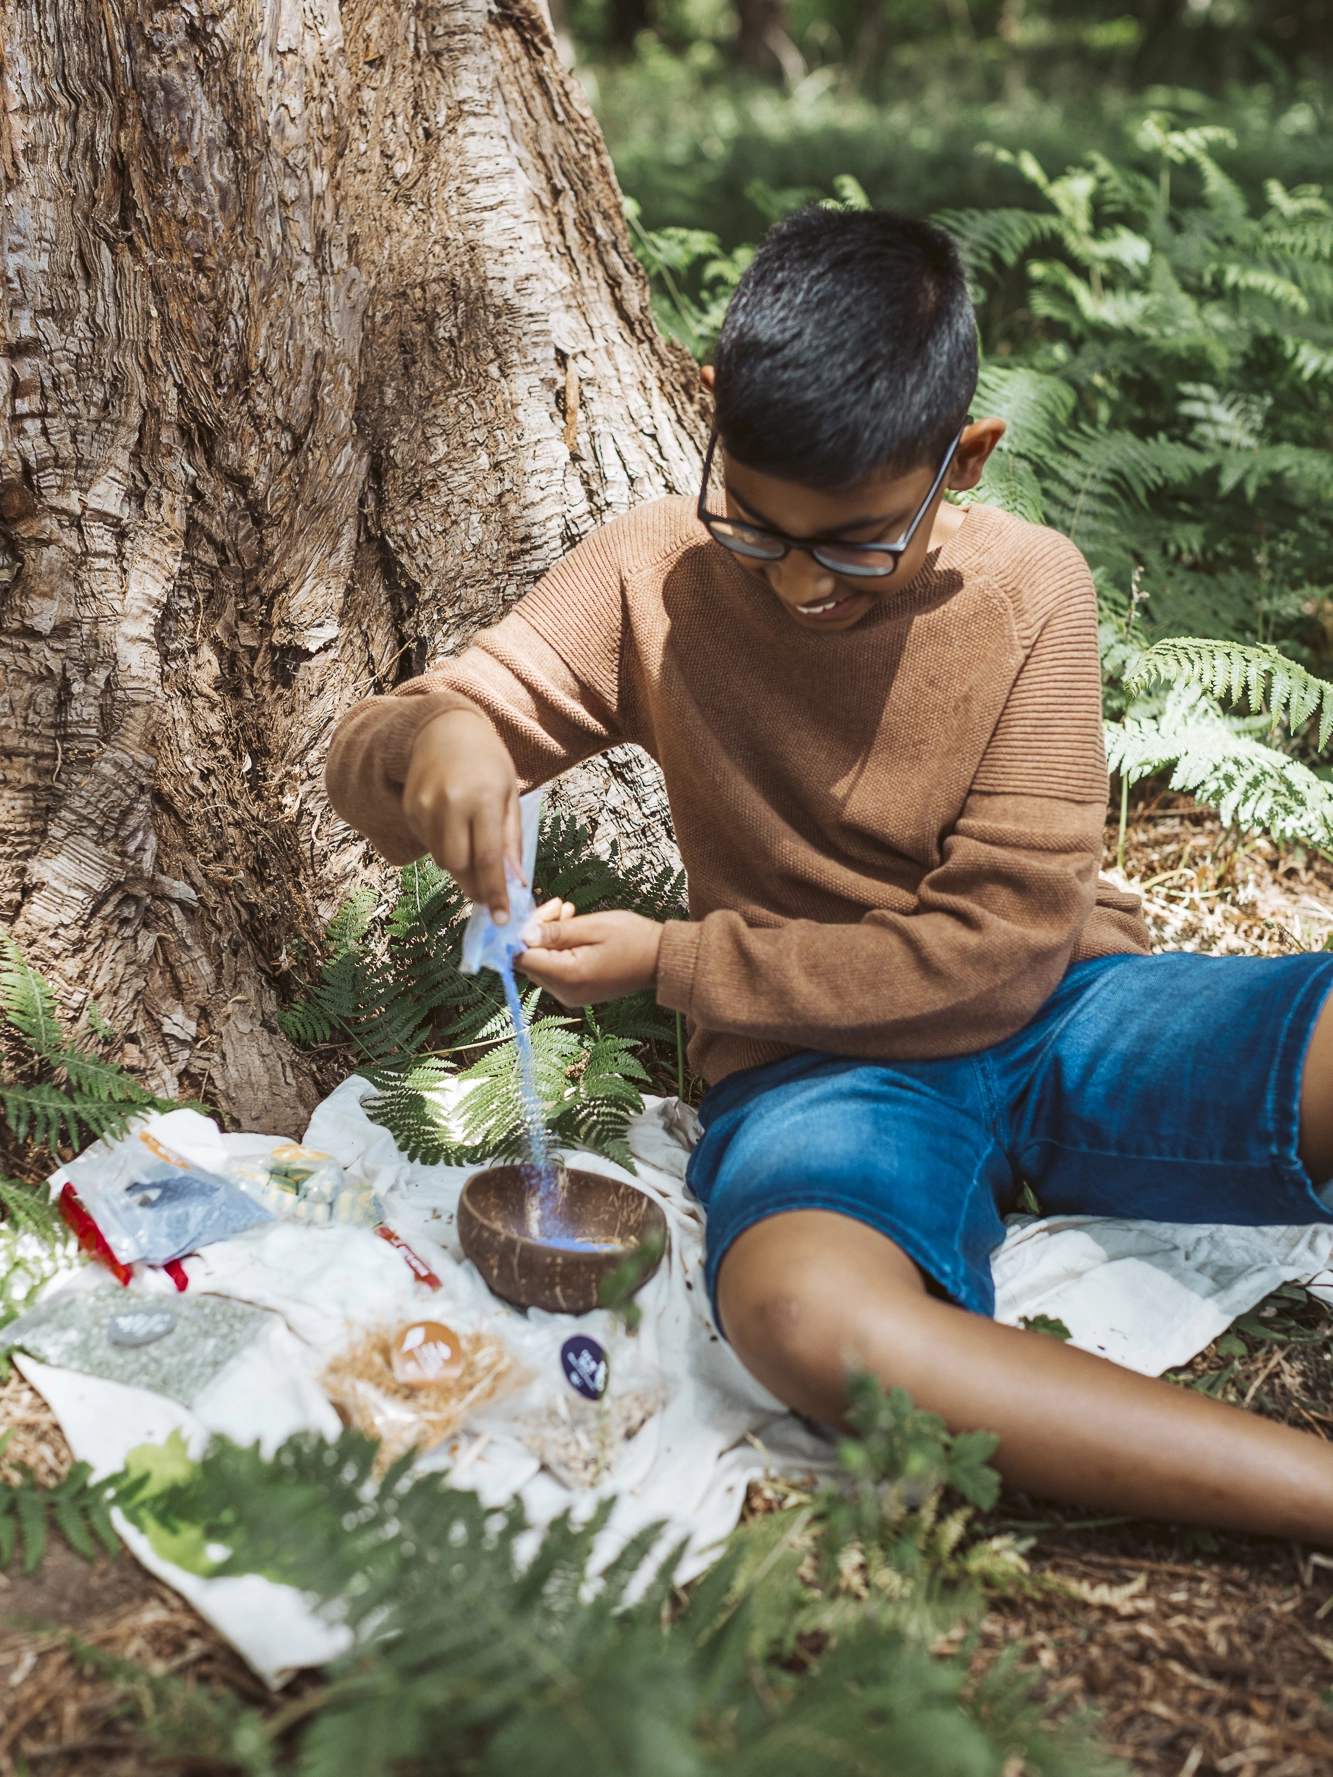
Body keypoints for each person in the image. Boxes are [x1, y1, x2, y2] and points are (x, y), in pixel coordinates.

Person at [325, 204, 1333, 1539]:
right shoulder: (654, 575)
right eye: (756, 526)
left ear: (965, 458)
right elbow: (375, 760)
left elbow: (1002, 949)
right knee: (800, 1314)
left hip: (1062, 1015)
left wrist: (674, 962)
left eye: (858, 542)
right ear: (710, 414)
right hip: (817, 1079)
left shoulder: (1034, 589)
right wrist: (440, 740)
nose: (803, 584)